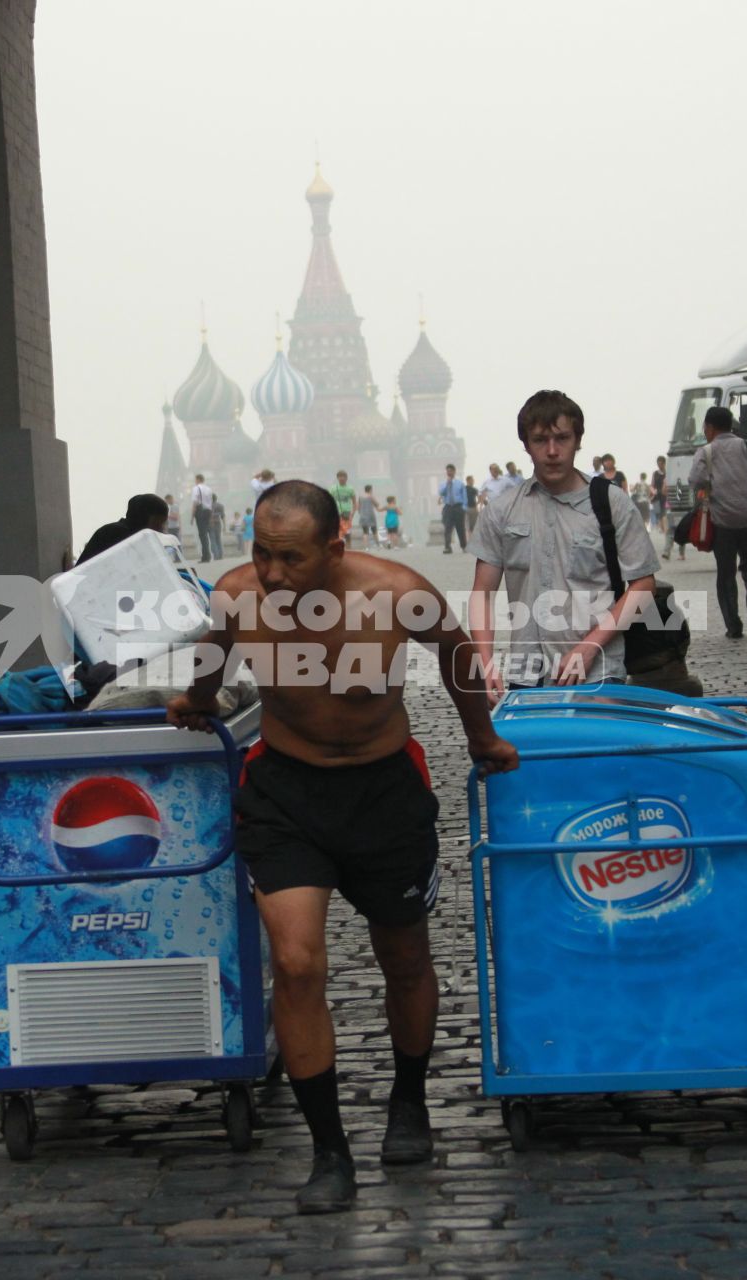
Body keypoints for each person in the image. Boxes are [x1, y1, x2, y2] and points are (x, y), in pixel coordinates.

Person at [167, 481, 518, 1213]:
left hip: (382, 794)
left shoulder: (396, 593)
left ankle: (409, 1100)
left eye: (289, 558)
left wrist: (482, 738)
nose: (269, 573)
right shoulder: (239, 595)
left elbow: (456, 655)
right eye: (261, 552)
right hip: (286, 796)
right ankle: (330, 1152)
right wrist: (196, 703)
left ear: (336, 547)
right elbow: (215, 654)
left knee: (406, 955)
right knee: (295, 963)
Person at [470, 389, 659, 696]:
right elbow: (482, 593)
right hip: (526, 677)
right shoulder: (502, 511)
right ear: (526, 446)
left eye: (562, 438)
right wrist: (485, 662)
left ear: (578, 441)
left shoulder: (611, 504)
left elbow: (643, 585)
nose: (553, 450)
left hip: (598, 673)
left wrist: (588, 647)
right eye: (540, 440)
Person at [689, 406, 747, 639]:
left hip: (722, 521)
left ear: (708, 428)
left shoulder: (706, 452)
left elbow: (695, 481)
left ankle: (733, 625)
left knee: (725, 573)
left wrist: (711, 487)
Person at [78, 493, 169, 564]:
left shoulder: (128, 533)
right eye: (158, 524)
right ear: (142, 518)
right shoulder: (117, 534)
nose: (161, 529)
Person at [437, 464, 468, 553]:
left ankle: (463, 546)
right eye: (447, 471)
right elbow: (441, 493)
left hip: (458, 507)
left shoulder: (460, 483)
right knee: (447, 528)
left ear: (454, 471)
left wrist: (464, 508)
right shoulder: (443, 483)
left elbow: (464, 496)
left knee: (460, 528)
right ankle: (447, 547)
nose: (449, 472)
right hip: (448, 507)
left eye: (450, 470)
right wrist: (447, 484)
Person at [190, 474, 218, 563]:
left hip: (200, 511)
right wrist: (211, 516)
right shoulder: (208, 489)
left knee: (202, 534)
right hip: (208, 511)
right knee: (205, 533)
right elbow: (211, 503)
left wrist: (192, 516)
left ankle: (205, 556)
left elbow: (195, 502)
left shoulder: (196, 488)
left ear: (198, 479)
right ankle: (207, 555)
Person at [330, 470, 357, 541]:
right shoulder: (333, 488)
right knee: (337, 533)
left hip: (347, 514)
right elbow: (329, 501)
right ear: (337, 478)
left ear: (346, 478)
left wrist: (352, 514)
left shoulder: (350, 489)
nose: (342, 478)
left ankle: (349, 550)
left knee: (347, 534)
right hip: (336, 514)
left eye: (343, 476)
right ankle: (339, 550)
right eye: (340, 476)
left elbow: (354, 503)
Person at [356, 484, 380, 549]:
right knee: (374, 530)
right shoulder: (371, 496)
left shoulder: (360, 497)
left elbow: (358, 506)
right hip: (370, 515)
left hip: (363, 515)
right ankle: (378, 545)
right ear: (370, 490)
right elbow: (377, 504)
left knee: (365, 532)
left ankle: (366, 547)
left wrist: (360, 512)